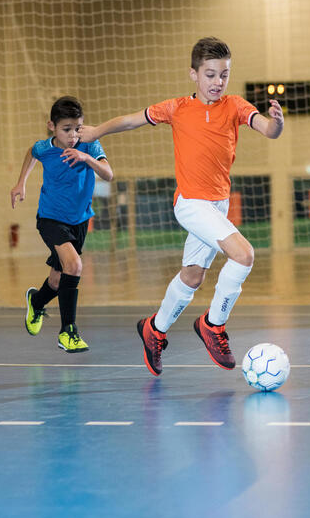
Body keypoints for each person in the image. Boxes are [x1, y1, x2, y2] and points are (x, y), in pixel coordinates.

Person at [78, 37, 284, 376]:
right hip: (190, 203)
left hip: (217, 205)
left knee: (192, 275)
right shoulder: (176, 108)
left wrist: (275, 122)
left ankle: (154, 329)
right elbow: (132, 120)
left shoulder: (235, 106)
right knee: (244, 255)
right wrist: (96, 131)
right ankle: (212, 325)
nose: (218, 82)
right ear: (193, 74)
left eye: (224, 75)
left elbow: (267, 129)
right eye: (210, 74)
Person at [10, 96, 113, 353]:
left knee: (57, 280)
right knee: (74, 265)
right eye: (66, 129)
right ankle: (68, 332)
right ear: (52, 127)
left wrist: (86, 158)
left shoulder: (89, 145)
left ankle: (36, 301)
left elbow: (108, 175)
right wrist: (21, 182)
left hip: (79, 220)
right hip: (50, 218)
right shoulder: (45, 148)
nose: (73, 135)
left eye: (77, 128)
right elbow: (31, 152)